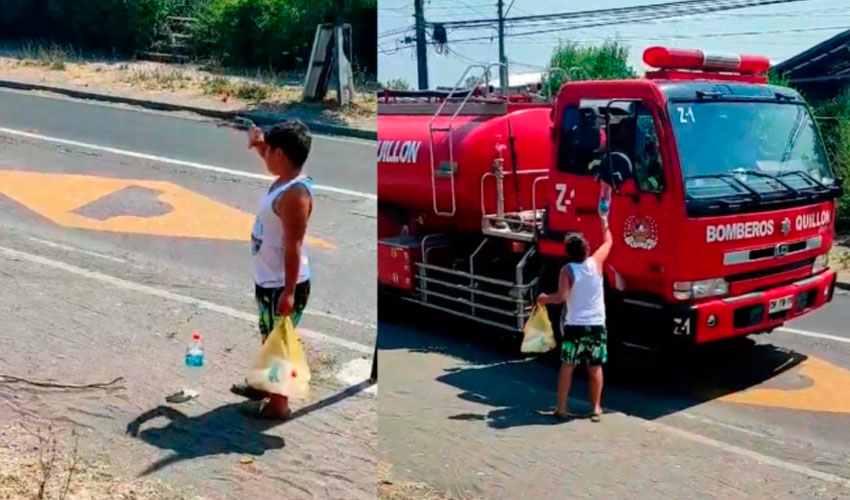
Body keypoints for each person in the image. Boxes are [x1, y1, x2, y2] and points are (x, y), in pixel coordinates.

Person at [230, 119, 314, 420]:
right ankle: (266, 387)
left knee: (277, 344)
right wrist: (257, 143)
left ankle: (279, 405)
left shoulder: (295, 195)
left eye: (269, 153)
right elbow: (269, 151)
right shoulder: (285, 178)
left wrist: (289, 292)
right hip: (269, 280)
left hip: (283, 283)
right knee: (270, 338)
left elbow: (294, 245)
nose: (265, 157)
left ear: (282, 155)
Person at [537, 214, 613, 422]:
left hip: (575, 326)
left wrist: (544, 299)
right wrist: (604, 220)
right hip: (597, 324)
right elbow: (609, 241)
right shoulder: (597, 262)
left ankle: (561, 408)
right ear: (587, 249)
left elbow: (561, 297)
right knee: (595, 366)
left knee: (568, 365)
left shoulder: (567, 270)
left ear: (568, 253)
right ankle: (596, 408)